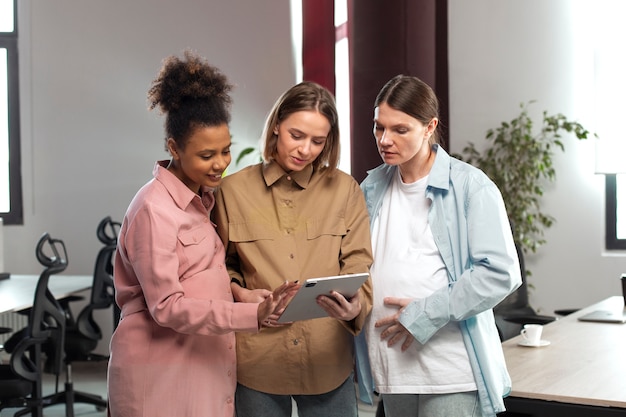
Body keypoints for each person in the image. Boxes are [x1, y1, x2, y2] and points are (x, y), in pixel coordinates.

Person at [106, 50, 297, 417]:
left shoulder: (201, 197)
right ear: (174, 148)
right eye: (207, 155)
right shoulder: (153, 210)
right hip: (159, 370)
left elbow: (199, 274)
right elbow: (167, 307)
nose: (221, 164)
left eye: (226, 150)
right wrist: (251, 318)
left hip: (201, 363)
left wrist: (240, 294)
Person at [356, 74, 522, 417]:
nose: (385, 140)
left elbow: (500, 274)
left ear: (429, 126)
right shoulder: (371, 187)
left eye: (400, 129)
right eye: (378, 127)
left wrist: (424, 312)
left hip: (452, 371)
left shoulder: (471, 186)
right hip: (392, 368)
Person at [213, 81, 374, 417]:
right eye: (296, 135)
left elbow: (358, 262)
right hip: (259, 359)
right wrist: (238, 292)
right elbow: (219, 265)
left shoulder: (345, 190)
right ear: (276, 127)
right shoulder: (231, 191)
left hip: (327, 359)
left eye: (318, 141)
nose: (306, 149)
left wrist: (355, 306)